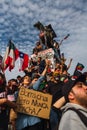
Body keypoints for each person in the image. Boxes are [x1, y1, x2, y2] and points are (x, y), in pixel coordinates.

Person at [15, 59, 49, 130]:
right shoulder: (17, 93)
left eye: (29, 78)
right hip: (21, 123)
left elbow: (41, 78)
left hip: (34, 122)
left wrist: (47, 67)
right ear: (22, 81)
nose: (27, 79)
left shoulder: (33, 89)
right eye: (25, 78)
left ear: (31, 81)